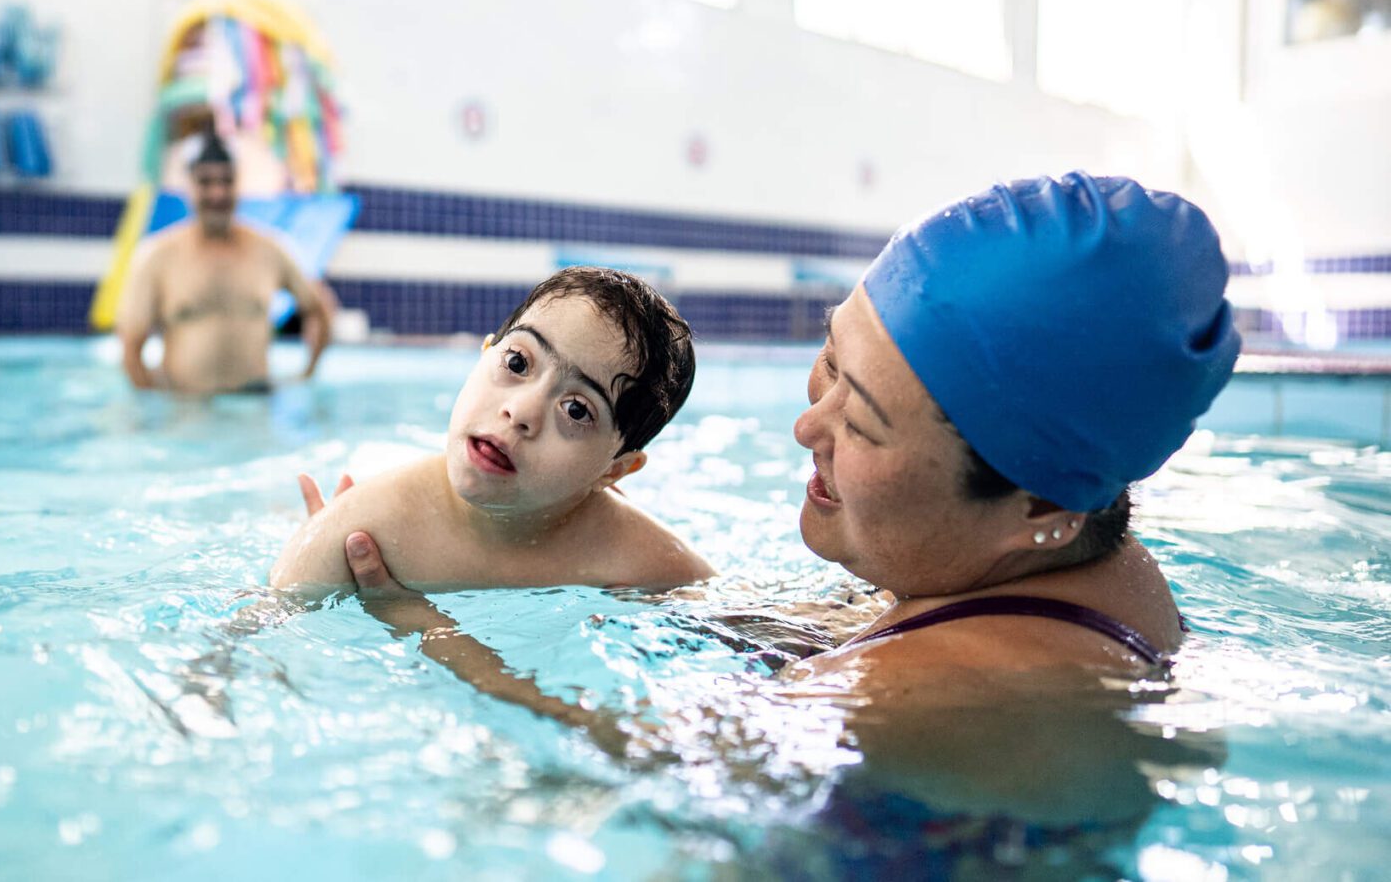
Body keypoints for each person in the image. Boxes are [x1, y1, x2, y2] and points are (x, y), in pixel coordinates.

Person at [314, 173, 1240, 832]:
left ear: (1036, 502)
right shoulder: (1070, 544)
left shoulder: (931, 693)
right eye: (832, 360)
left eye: (865, 420)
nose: (809, 426)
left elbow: (619, 755)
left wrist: (414, 616)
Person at [271, 266, 715, 592]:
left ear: (615, 470)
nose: (520, 412)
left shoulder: (648, 563)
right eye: (518, 363)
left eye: (577, 410)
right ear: (485, 353)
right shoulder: (365, 533)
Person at [115, 127, 333, 394]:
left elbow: (318, 308)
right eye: (206, 182)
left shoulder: (270, 250)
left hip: (254, 404)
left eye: (226, 181)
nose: (217, 193)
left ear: (238, 184)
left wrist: (306, 374)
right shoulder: (157, 256)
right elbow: (130, 342)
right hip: (187, 409)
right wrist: (152, 407)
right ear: (188, 186)